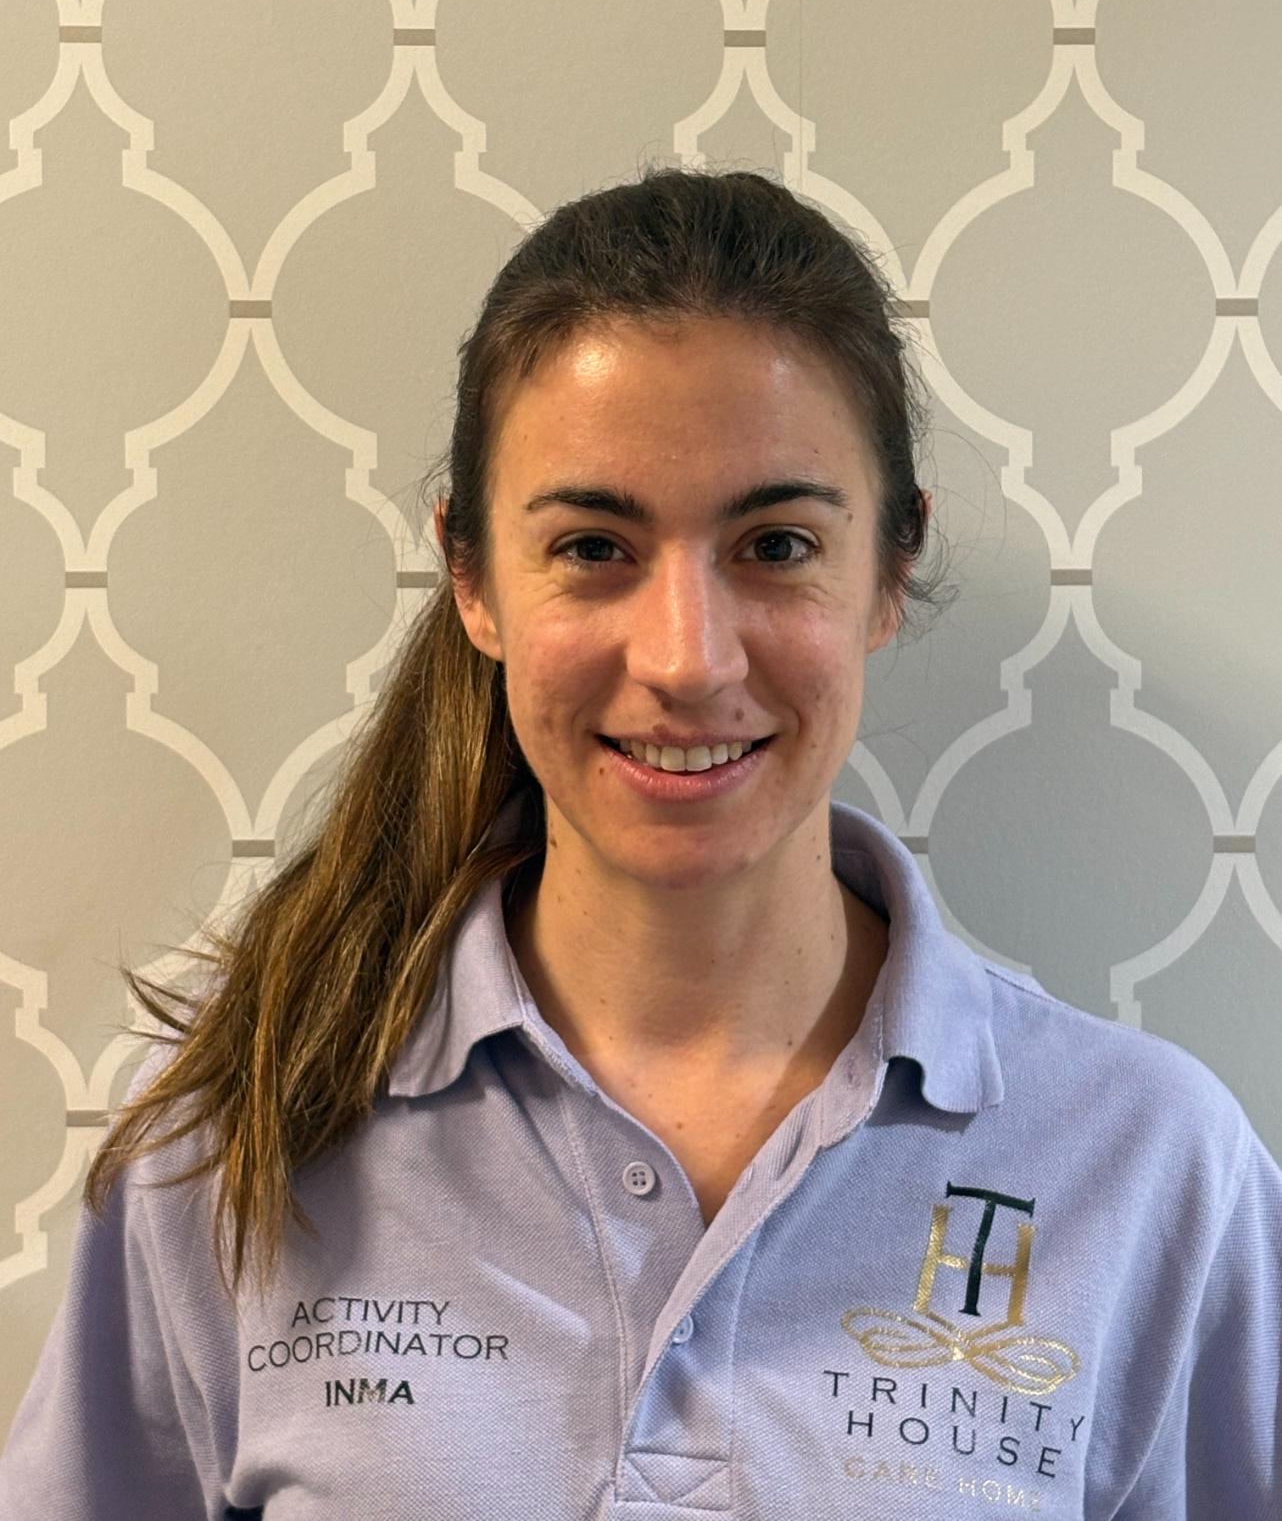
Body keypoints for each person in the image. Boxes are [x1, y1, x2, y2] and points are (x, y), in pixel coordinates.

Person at [1, 166, 1278, 1520]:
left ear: (888, 574)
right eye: (594, 546)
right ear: (474, 579)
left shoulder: (1147, 1167)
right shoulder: (240, 1111)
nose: (684, 656)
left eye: (775, 542)